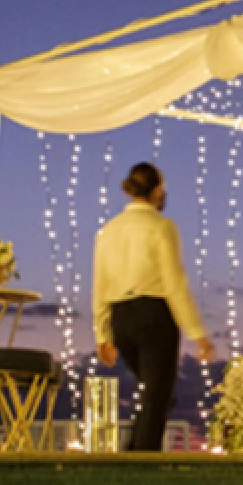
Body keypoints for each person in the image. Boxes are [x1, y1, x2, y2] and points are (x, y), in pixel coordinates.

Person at [94, 164, 212, 453]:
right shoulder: (162, 227)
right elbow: (174, 282)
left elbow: (100, 283)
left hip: (121, 318)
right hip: (154, 314)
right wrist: (198, 333)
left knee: (156, 394)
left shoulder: (108, 230)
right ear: (157, 190)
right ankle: (140, 468)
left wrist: (103, 333)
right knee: (157, 396)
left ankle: (132, 454)